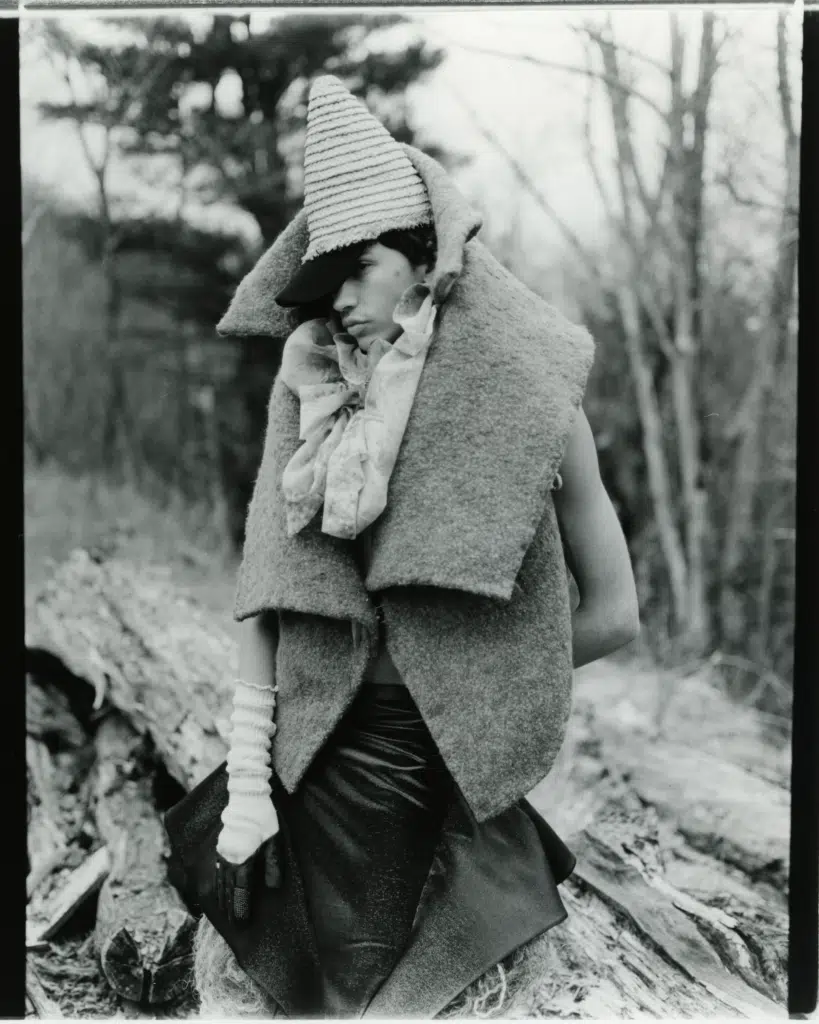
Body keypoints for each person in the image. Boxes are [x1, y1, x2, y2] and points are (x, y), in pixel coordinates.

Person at [163, 74, 639, 1019]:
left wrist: (482, 689)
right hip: (305, 751)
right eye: (321, 277)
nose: (335, 299)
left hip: (444, 769)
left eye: (357, 267)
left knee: (420, 990)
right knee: (254, 951)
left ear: (424, 258)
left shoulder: (535, 402)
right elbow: (268, 600)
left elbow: (615, 613)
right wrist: (252, 784)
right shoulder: (308, 397)